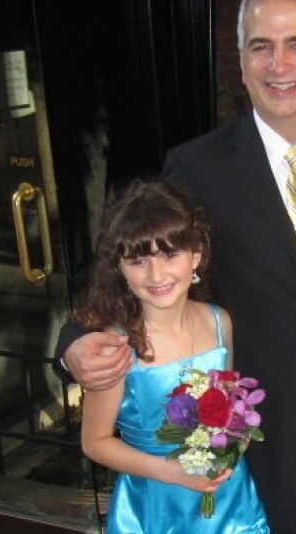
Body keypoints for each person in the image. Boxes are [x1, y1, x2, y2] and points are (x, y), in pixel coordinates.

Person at [54, 0, 296, 532]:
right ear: (241, 62)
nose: (279, 64)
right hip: (270, 455)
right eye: (261, 47)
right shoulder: (197, 166)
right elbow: (136, 257)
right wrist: (73, 343)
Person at [76, 180, 269, 533]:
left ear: (196, 254)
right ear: (119, 268)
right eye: (138, 261)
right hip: (156, 502)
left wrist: (230, 444)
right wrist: (172, 472)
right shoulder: (116, 347)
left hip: (227, 498)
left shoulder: (219, 322)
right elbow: (95, 442)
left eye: (170, 255)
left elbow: (228, 410)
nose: (157, 275)